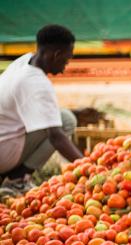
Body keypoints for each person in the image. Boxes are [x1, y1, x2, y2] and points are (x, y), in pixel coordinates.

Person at [0, 24, 83, 193]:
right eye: (66, 60)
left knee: (64, 116)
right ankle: (17, 180)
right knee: (66, 121)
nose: (65, 67)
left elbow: (36, 109)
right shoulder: (37, 83)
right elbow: (56, 137)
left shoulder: (23, 62)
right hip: (3, 154)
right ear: (56, 55)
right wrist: (90, 168)